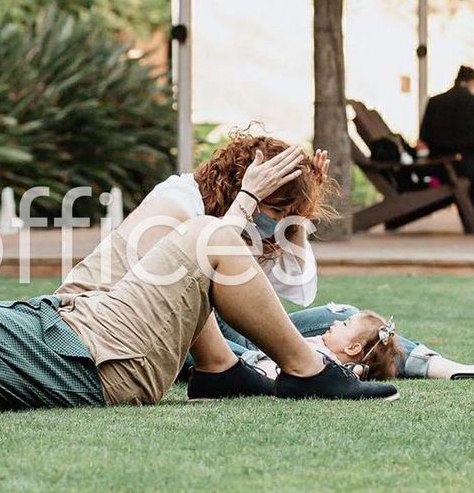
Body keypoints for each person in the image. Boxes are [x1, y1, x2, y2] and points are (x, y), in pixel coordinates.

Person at [0, 133, 398, 414]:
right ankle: (308, 372)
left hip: (68, 314)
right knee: (207, 236)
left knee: (156, 222)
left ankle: (218, 369)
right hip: (109, 359)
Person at [148, 133, 474, 381]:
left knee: (345, 316)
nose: (279, 222)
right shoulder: (180, 199)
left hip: (242, 329)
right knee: (198, 329)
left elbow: (297, 288)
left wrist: (299, 212)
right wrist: (246, 201)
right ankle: (269, 368)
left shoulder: (262, 222)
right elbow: (174, 293)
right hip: (191, 332)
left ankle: (434, 365)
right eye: (277, 210)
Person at [240, 310, 402, 382]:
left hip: (250, 363)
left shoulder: (326, 360)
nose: (336, 322)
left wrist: (353, 371)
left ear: (352, 348)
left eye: (345, 324)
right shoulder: (323, 343)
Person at [420, 65, 474, 203]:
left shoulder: (434, 101)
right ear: (471, 82)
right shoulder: (471, 103)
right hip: (464, 166)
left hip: (435, 165)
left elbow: (424, 137)